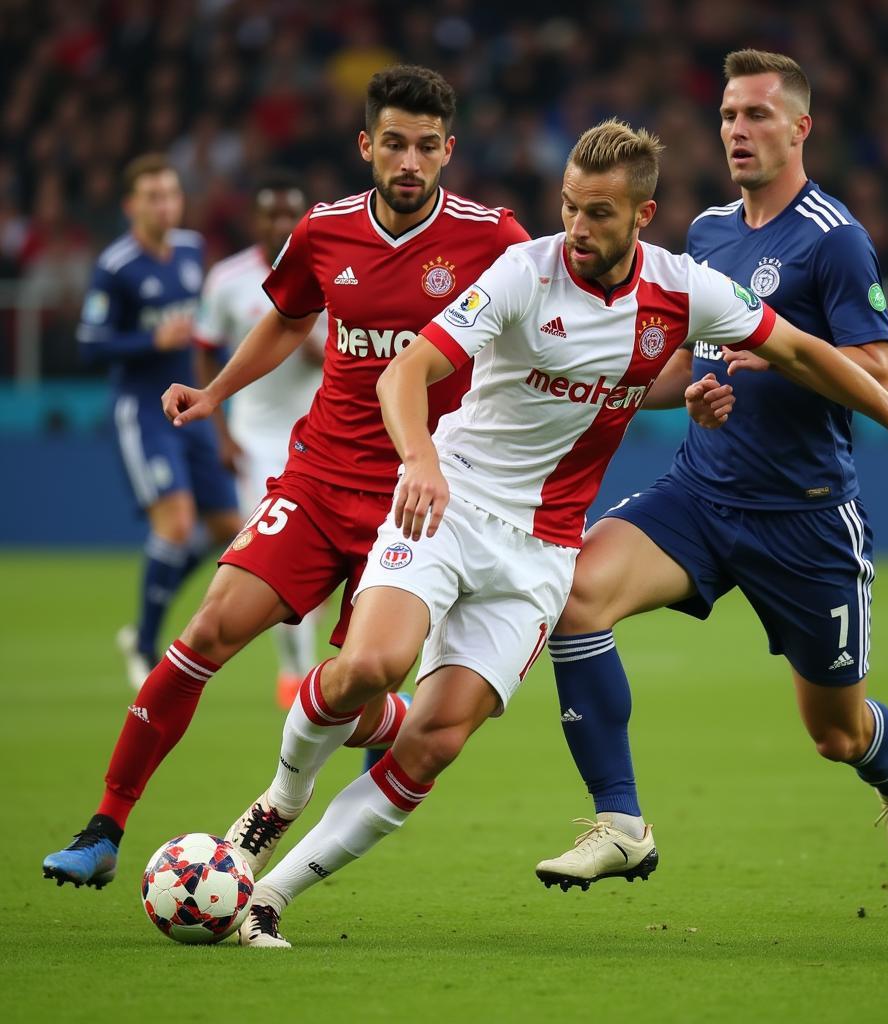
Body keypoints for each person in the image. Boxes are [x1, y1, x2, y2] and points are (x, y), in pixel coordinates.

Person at [222, 119, 888, 948]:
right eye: (568, 207)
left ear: (643, 216)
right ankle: (276, 806)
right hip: (452, 502)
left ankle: (269, 898)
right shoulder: (524, 271)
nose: (577, 230)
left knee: (434, 742)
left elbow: (803, 352)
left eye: (596, 214)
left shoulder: (683, 289)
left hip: (543, 549)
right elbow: (409, 367)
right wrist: (418, 459)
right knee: (369, 668)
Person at [42, 64, 529, 891]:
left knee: (364, 678)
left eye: (426, 148)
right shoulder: (325, 230)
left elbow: (559, 314)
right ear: (366, 145)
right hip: (319, 477)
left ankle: (385, 719)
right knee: (206, 633)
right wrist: (215, 391)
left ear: (448, 151)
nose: (409, 163)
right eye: (394, 145)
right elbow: (287, 318)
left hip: (420, 502)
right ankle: (105, 825)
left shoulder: (495, 238)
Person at [534, 49, 888, 892]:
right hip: (701, 494)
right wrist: (612, 390)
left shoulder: (836, 240)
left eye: (755, 115)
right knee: (573, 597)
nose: (737, 131)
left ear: (800, 128)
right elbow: (687, 363)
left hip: (805, 516)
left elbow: (882, 373)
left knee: (835, 732)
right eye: (726, 116)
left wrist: (768, 363)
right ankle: (620, 820)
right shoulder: (709, 232)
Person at [75, 154, 241, 691]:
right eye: (153, 196)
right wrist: (152, 340)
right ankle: (146, 645)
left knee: (227, 532)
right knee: (175, 522)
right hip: (143, 408)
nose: (165, 204)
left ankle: (148, 617)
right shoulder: (117, 266)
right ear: (131, 206)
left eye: (171, 193)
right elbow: (89, 344)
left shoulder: (192, 251)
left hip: (189, 405)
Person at [193, 171, 325, 710]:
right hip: (254, 441)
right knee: (276, 559)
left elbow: (337, 352)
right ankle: (296, 672)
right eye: (270, 213)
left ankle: (311, 669)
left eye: (288, 212)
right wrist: (219, 431)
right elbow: (204, 349)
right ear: (256, 219)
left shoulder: (330, 270)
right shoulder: (226, 280)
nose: (280, 223)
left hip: (321, 437)